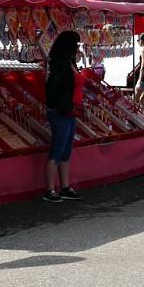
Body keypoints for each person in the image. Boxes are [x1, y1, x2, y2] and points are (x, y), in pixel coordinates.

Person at [43, 30, 84, 202]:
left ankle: (65, 186)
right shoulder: (59, 63)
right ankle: (50, 189)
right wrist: (61, 105)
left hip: (70, 110)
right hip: (61, 111)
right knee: (57, 150)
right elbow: (52, 88)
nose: (78, 47)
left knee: (66, 151)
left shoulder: (69, 61)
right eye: (76, 44)